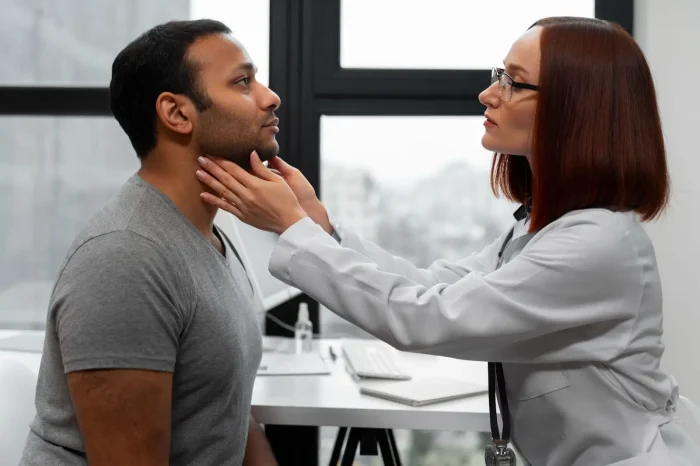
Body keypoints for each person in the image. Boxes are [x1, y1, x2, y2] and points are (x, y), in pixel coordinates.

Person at [195, 16, 700, 466]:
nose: (489, 93)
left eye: (514, 82)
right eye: (498, 75)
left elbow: (428, 318)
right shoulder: (543, 228)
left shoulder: (598, 245)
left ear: (577, 109)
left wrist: (295, 232)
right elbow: (435, 286)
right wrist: (322, 229)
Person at [20, 19, 280, 466]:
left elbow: (230, 410)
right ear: (176, 114)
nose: (269, 97)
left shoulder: (210, 235)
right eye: (242, 82)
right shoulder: (126, 258)